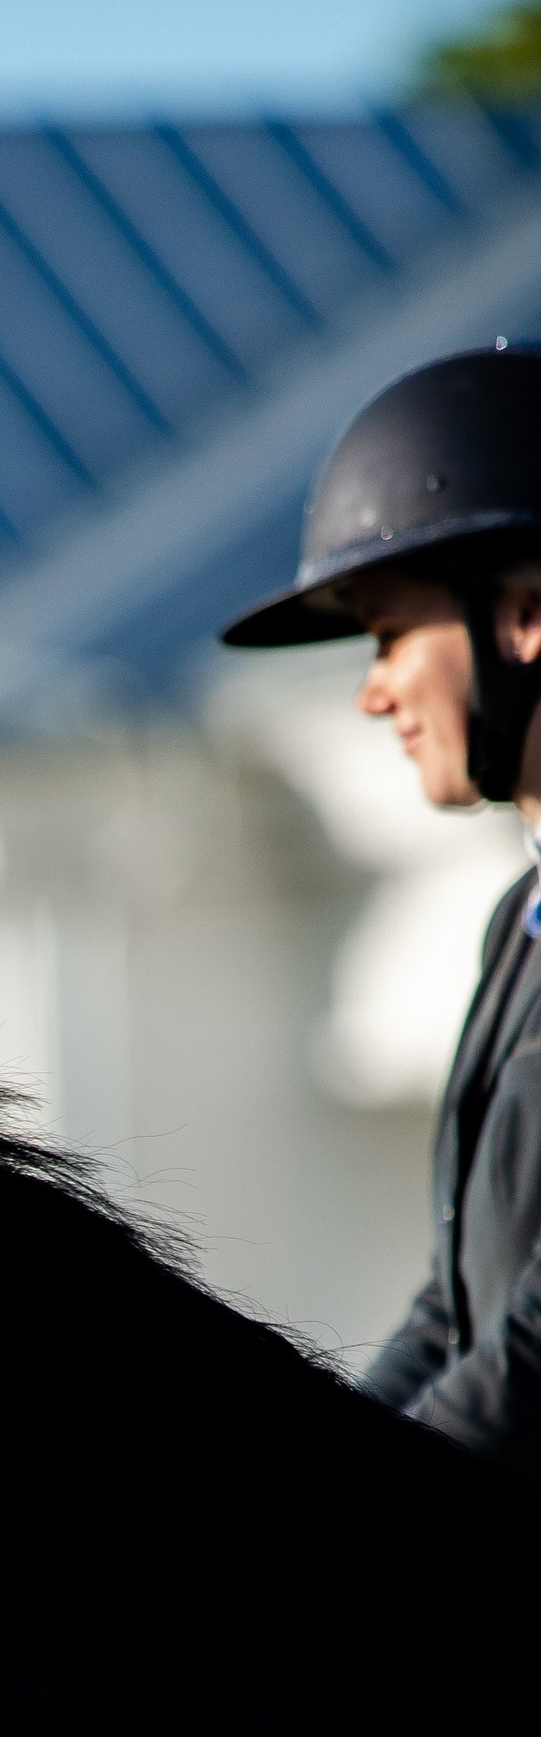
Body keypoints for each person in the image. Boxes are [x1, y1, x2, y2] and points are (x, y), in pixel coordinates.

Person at [221, 342, 541, 1470]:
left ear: (525, 618)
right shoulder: (522, 918)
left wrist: (369, 1540)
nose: (372, 692)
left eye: (390, 634)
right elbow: (456, 1302)